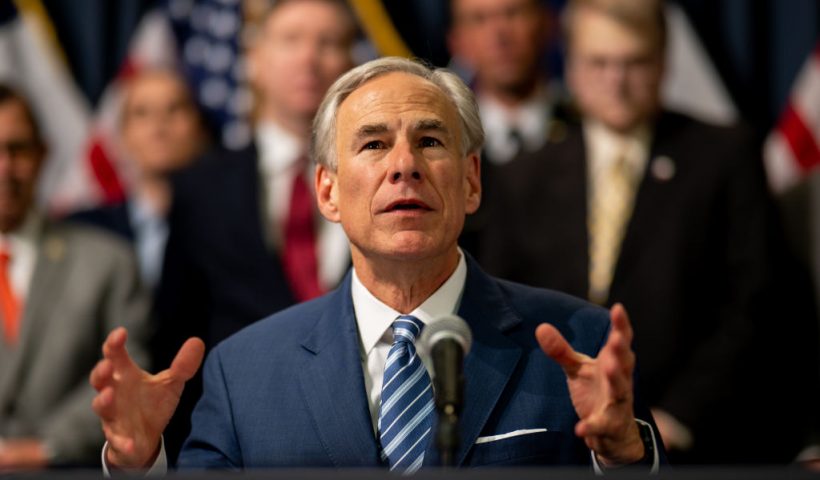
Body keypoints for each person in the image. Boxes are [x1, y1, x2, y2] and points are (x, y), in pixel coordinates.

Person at [90, 57, 664, 473]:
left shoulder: (576, 343)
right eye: (372, 145)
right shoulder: (242, 375)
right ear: (328, 191)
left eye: (432, 141)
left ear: (470, 181)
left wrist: (621, 456)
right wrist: (140, 469)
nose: (404, 166)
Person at [478, 0, 818, 463]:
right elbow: (503, 310)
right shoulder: (522, 176)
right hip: (557, 443)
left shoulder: (724, 156)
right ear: (571, 67)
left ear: (663, 63)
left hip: (695, 443)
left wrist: (672, 419)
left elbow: (753, 304)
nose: (616, 81)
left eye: (634, 62)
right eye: (599, 63)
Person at [151, 0, 356, 463]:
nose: (309, 57)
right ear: (254, 60)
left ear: (351, 64)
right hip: (242, 442)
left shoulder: (387, 179)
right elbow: (176, 337)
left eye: (327, 42)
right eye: (290, 40)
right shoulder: (199, 186)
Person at [0, 84, 151, 469]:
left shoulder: (108, 261)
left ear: (42, 154)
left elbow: (130, 369)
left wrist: (46, 447)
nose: (4, 168)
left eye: (16, 149)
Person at [70, 68, 208, 289]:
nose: (159, 125)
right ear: (123, 135)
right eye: (142, 113)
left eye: (174, 109)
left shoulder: (233, 223)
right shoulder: (85, 230)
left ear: (199, 129)